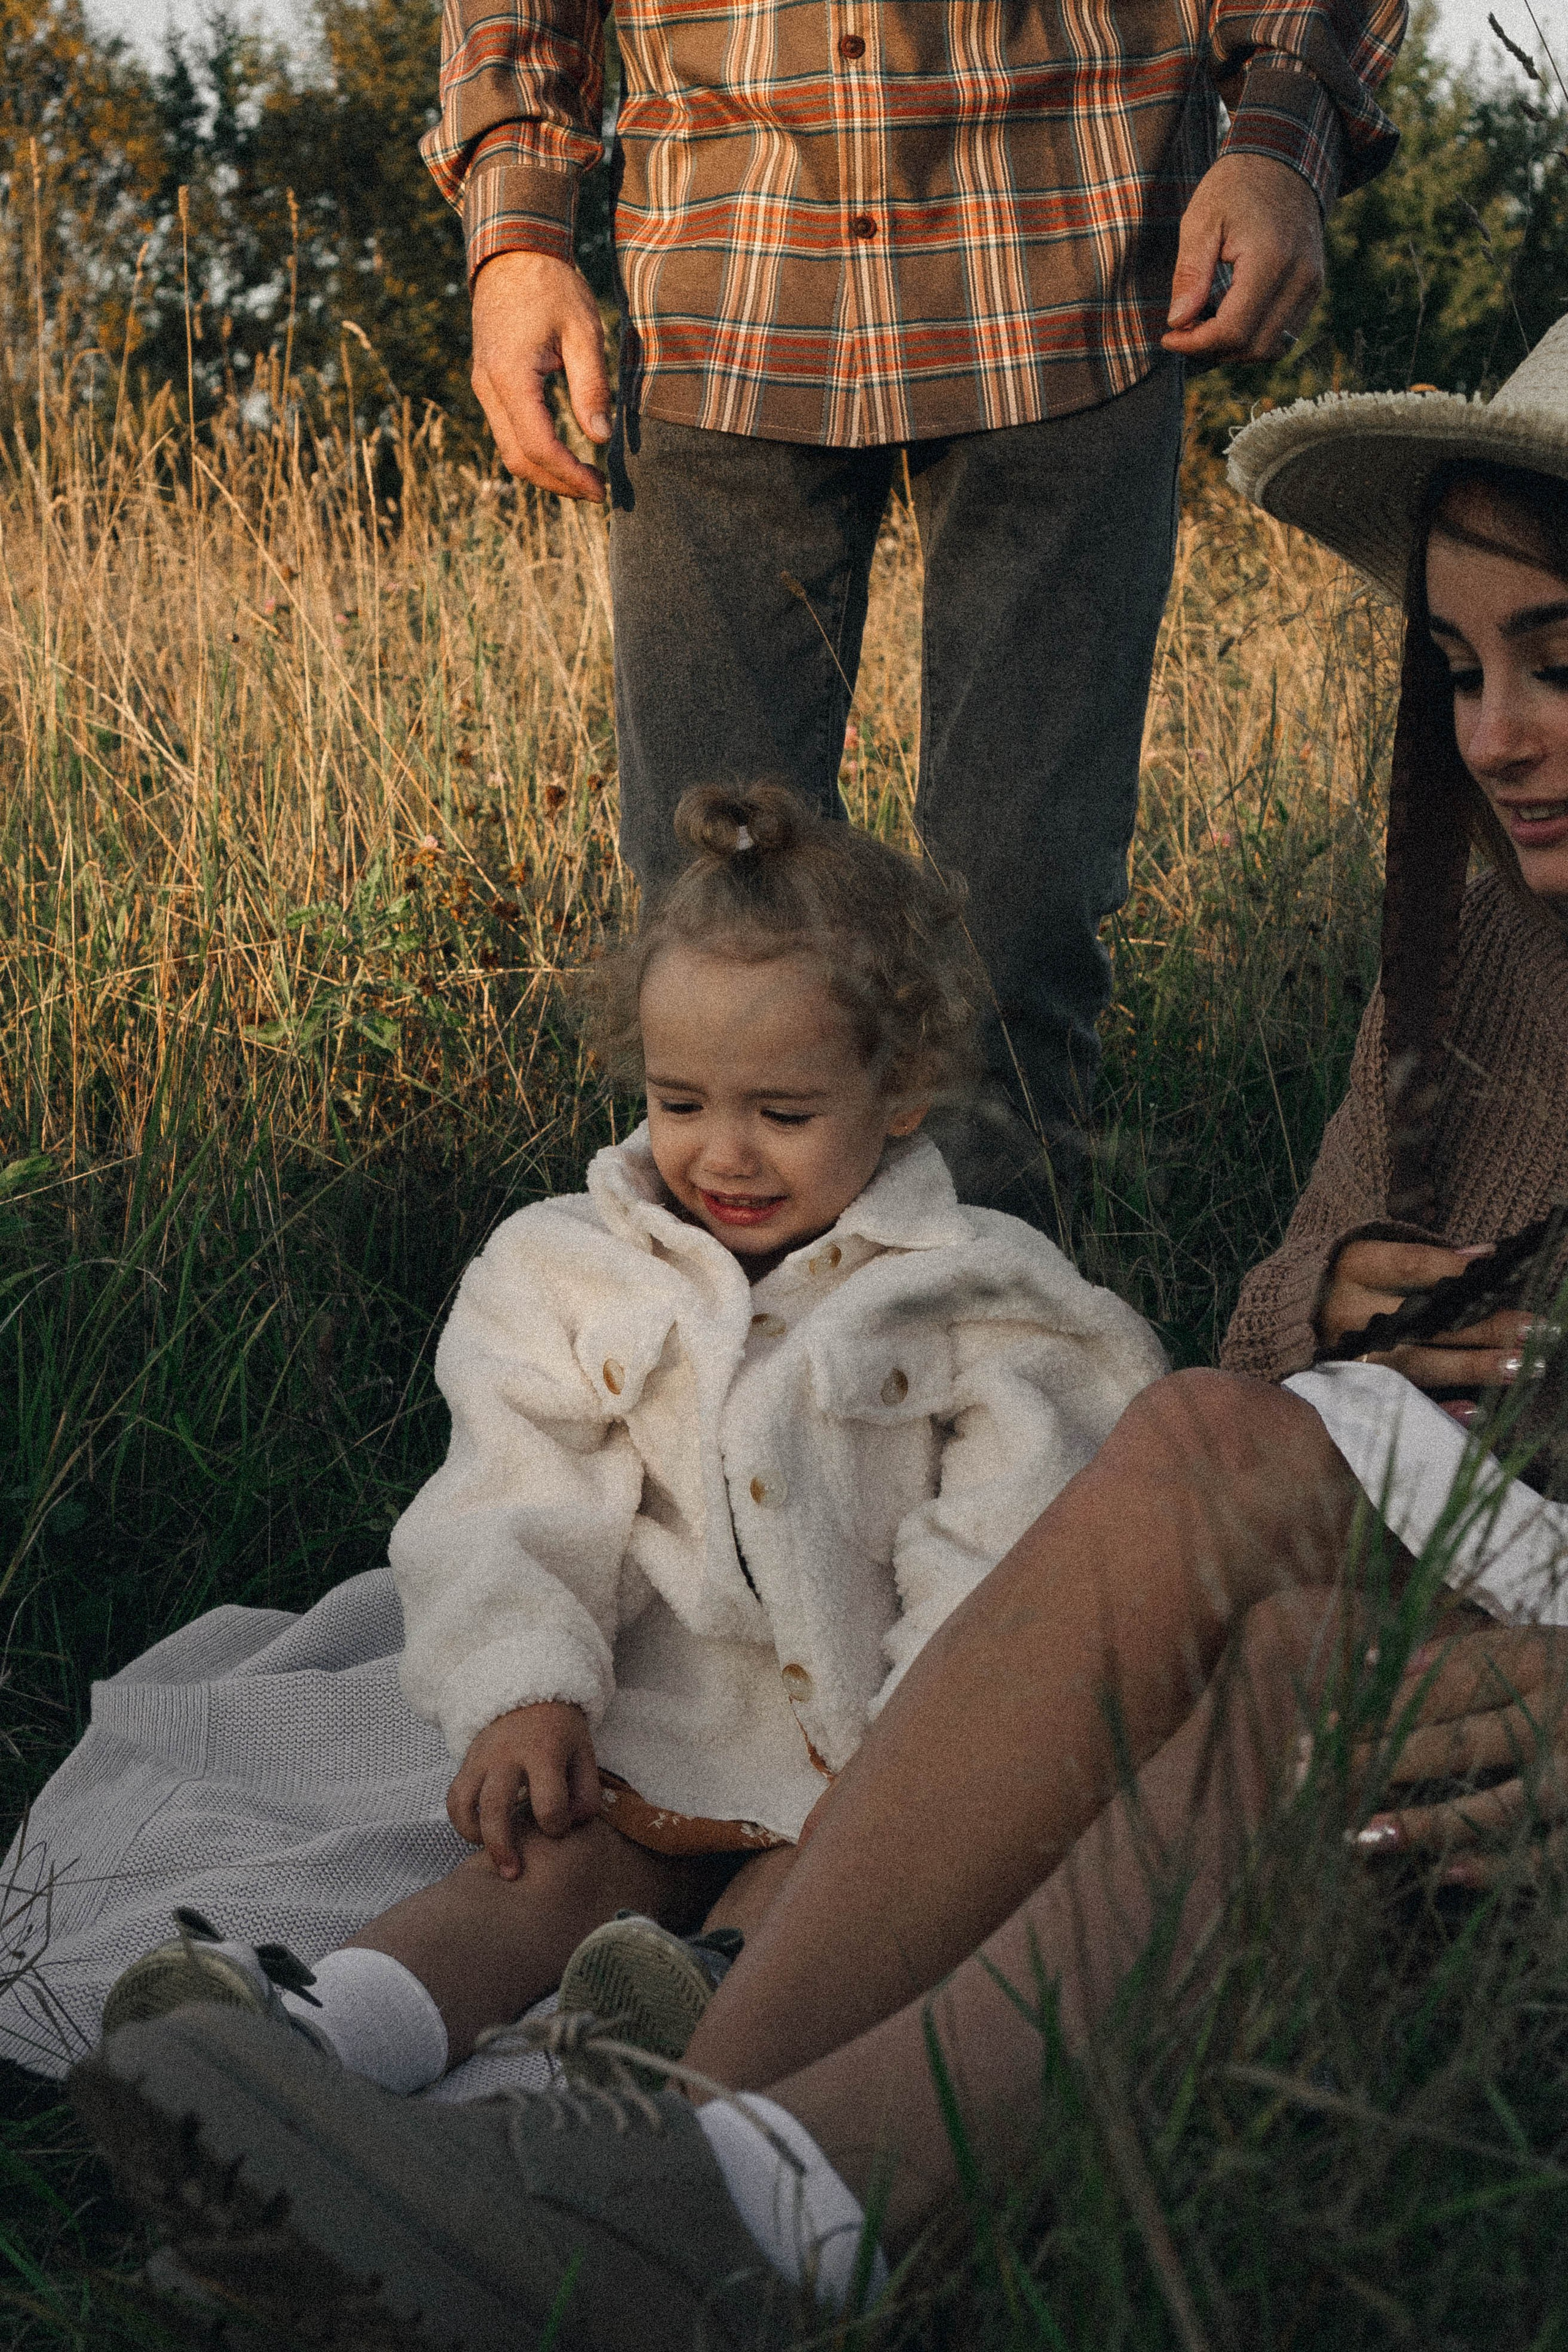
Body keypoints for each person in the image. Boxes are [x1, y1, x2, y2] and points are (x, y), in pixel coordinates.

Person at [67, 321, 1568, 2352]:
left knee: (1298, 1613)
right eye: (1462, 669)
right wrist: (1337, 1298)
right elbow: (1278, 1336)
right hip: (1433, 1584)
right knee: (1252, 1512)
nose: (1496, 739)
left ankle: (716, 2211)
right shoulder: (1482, 958)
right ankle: (688, 2168)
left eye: (1557, 658)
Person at [89, 780, 1167, 2094]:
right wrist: (526, 1687)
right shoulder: (566, 1272)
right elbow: (509, 1496)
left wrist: (918, 1754)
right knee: (541, 1871)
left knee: (812, 1898)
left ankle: (688, 2017)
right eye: (679, 1100)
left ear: (901, 1093)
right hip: (653, 1722)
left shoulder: (984, 1299)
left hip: (879, 1753)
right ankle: (314, 2035)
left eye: (781, 1113)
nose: (724, 1153)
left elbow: (1011, 1547)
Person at [423, 0, 1406, 1219]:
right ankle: (729, 1372)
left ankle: (979, 1357)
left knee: (1016, 919)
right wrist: (518, 230)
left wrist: (1276, 133)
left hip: (1075, 254)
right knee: (707, 919)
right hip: (724, 280)